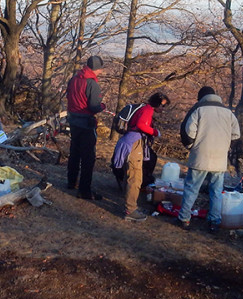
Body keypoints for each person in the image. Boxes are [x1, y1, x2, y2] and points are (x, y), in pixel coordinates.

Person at [177, 86, 241, 232]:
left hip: (200, 156)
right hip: (220, 159)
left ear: (201, 97)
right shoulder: (228, 113)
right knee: (216, 191)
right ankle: (214, 221)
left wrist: (192, 146)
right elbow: (236, 135)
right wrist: (226, 146)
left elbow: (188, 132)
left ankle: (184, 218)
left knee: (192, 188)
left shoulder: (199, 110)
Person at [111, 91, 169, 221]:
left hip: (128, 141)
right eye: (162, 106)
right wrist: (155, 132)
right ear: (157, 104)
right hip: (134, 144)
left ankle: (130, 205)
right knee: (135, 178)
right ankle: (130, 210)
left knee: (129, 175)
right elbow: (141, 125)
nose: (163, 109)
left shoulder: (143, 108)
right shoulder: (148, 111)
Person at [66, 55, 106, 200]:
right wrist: (103, 106)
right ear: (97, 69)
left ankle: (71, 182)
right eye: (101, 69)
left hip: (73, 121)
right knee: (88, 157)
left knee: (74, 152)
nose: (101, 72)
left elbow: (68, 96)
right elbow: (94, 107)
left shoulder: (74, 79)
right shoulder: (92, 84)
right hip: (86, 124)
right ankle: (84, 190)